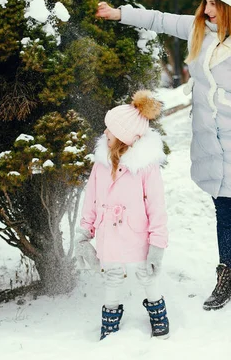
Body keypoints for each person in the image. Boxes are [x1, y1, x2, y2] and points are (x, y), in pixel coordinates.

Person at [96, 0, 231, 312]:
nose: (206, 9)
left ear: (229, 7)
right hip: (211, 139)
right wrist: (118, 13)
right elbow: (159, 18)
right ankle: (227, 280)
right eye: (205, 2)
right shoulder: (199, 29)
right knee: (224, 211)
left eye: (214, 4)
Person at [75, 90, 170, 340]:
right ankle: (111, 319)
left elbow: (157, 208)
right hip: (109, 235)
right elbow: (91, 201)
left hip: (137, 235)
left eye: (110, 130)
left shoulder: (145, 167)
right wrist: (84, 235)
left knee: (146, 274)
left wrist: (157, 245)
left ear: (125, 137)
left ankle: (158, 313)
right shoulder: (101, 164)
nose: (105, 133)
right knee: (112, 276)